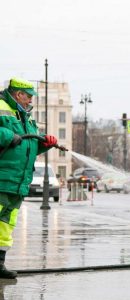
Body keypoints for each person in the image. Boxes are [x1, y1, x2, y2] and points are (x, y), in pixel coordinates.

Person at [0, 78, 58, 279]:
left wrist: (45, 143)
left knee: (6, 225)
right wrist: (7, 135)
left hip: (17, 182)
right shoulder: (1, 107)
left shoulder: (27, 117)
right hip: (2, 177)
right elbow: (9, 138)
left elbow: (29, 145)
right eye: (29, 95)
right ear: (18, 94)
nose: (31, 99)